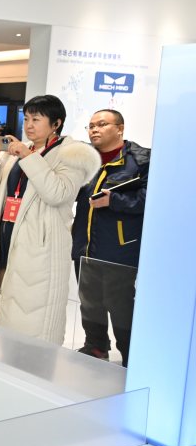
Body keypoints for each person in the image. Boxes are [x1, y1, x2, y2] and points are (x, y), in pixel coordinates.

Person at [0, 94, 100, 344]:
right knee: (6, 314)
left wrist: (28, 157)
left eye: (37, 119)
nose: (29, 125)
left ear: (56, 123)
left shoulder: (72, 154)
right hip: (8, 239)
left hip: (40, 248)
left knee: (34, 324)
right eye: (27, 118)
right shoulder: (19, 151)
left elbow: (58, 193)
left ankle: (31, 364)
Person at [71, 109, 150, 366]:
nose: (94, 129)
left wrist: (114, 200)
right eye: (91, 125)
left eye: (102, 124)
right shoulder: (85, 161)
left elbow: (150, 198)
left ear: (120, 128)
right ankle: (95, 346)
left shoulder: (140, 160)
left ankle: (131, 356)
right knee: (89, 300)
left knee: (121, 304)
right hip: (85, 245)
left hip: (119, 248)